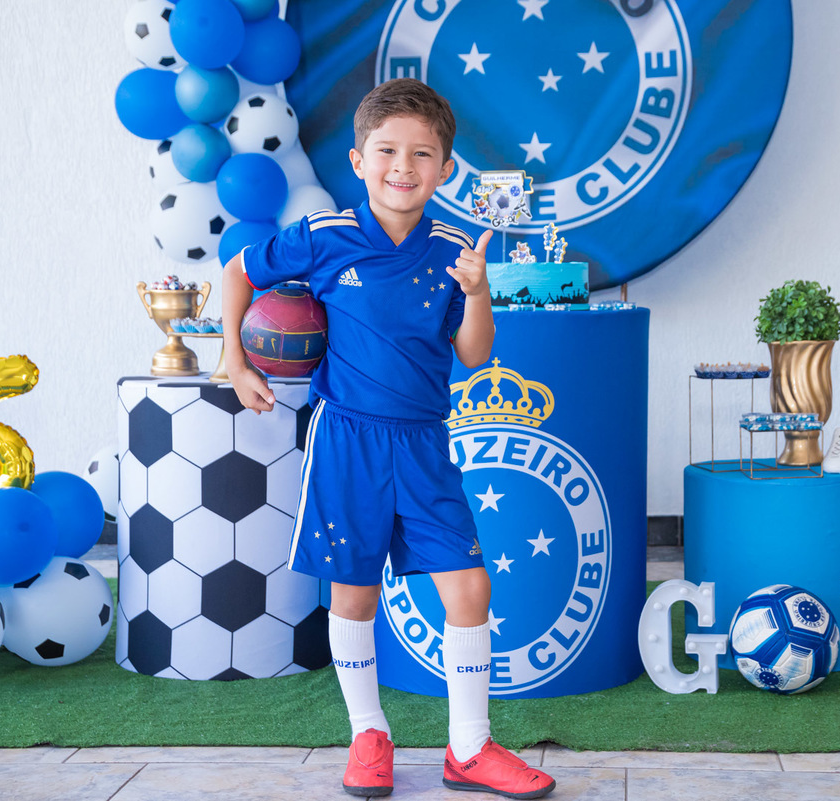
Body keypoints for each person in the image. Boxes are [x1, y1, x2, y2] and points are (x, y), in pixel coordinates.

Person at [220, 78, 556, 800]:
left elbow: (475, 355)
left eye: (422, 154)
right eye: (387, 151)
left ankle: (470, 747)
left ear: (445, 168)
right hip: (347, 440)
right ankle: (368, 734)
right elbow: (237, 272)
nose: (403, 166)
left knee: (470, 587)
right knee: (354, 592)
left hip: (425, 442)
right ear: (359, 160)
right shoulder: (324, 237)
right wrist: (234, 360)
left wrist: (478, 291)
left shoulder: (454, 250)